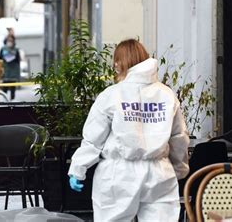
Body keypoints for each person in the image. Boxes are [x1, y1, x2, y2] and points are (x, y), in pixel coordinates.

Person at [67, 39, 190, 221]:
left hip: (118, 174)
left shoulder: (111, 95)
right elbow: (179, 137)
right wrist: (179, 169)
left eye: (116, 61)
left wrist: (78, 168)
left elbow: (93, 139)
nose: (114, 65)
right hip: (159, 172)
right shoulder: (166, 94)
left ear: (121, 63)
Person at [0, 33, 20, 100]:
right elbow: (0, 58)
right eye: (8, 40)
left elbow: (17, 60)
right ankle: (4, 102)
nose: (10, 42)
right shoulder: (3, 48)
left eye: (11, 40)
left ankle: (12, 103)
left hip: (13, 73)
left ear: (13, 41)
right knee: (4, 90)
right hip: (6, 72)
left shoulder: (16, 49)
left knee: (13, 90)